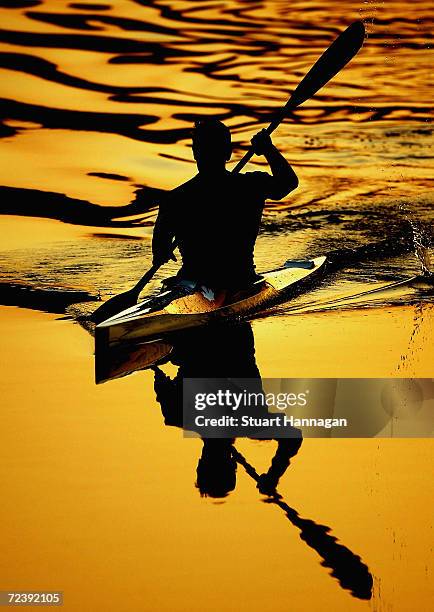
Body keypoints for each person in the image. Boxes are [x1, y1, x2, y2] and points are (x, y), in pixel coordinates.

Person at [152, 119, 298, 289]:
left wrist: (162, 251)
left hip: (193, 282)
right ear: (228, 153)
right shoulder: (250, 187)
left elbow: (160, 252)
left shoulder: (174, 200)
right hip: (238, 278)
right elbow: (288, 182)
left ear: (195, 153)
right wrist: (268, 150)